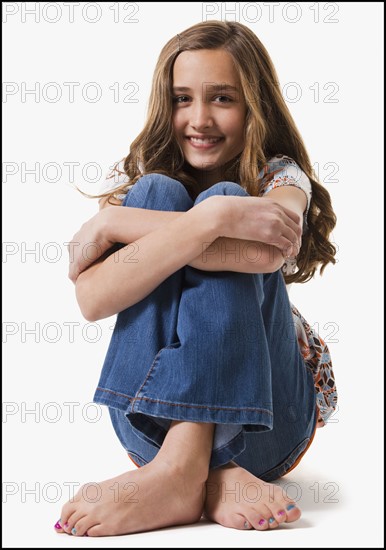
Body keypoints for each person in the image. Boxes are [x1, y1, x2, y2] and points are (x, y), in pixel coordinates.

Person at [55, 20, 337, 537]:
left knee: (221, 196)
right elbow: (92, 300)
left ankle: (184, 470)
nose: (199, 118)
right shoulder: (151, 187)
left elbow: (261, 255)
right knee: (160, 191)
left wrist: (121, 222)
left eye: (222, 98)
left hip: (267, 421)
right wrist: (206, 224)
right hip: (147, 421)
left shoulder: (281, 177)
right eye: (183, 98)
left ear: (255, 106)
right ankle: (202, 473)